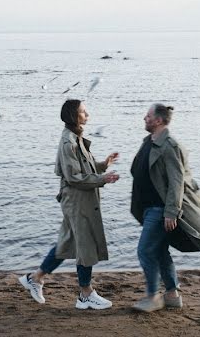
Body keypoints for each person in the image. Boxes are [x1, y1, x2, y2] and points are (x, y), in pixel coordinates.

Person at [18, 99, 121, 309]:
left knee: (67, 243)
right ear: (74, 116)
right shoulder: (69, 142)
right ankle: (85, 294)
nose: (87, 115)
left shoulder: (76, 138)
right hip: (76, 200)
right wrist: (103, 179)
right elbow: (74, 177)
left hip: (78, 199)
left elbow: (85, 169)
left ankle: (35, 278)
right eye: (84, 112)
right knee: (86, 244)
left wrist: (103, 165)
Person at [130, 103, 200, 312]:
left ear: (158, 120)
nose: (144, 118)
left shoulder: (170, 145)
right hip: (148, 208)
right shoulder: (150, 141)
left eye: (147, 116)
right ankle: (172, 295)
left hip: (160, 209)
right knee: (160, 251)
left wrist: (171, 212)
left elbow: (177, 181)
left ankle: (153, 296)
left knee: (145, 251)